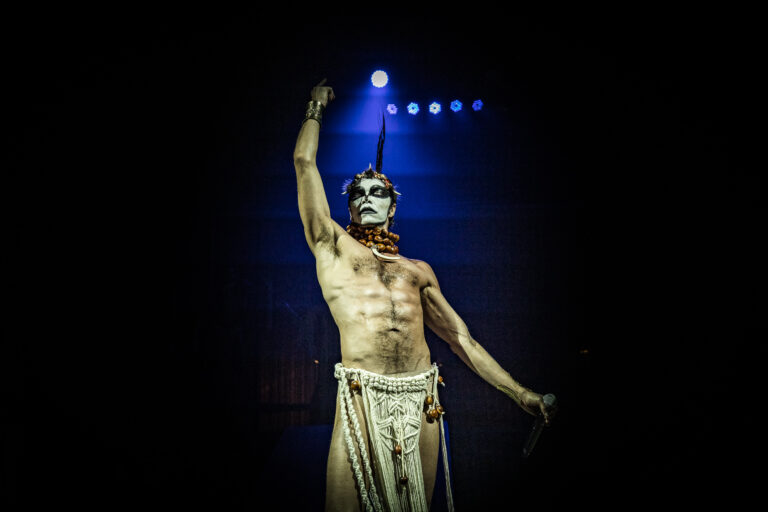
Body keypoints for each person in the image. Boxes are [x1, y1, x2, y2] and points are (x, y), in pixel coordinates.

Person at [293, 79, 555, 512]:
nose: (368, 198)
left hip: (421, 398)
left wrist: (521, 395)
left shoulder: (418, 272)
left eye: (379, 192)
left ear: (393, 206)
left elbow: (462, 340)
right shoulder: (332, 246)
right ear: (349, 207)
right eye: (358, 193)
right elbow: (304, 163)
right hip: (362, 394)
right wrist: (315, 105)